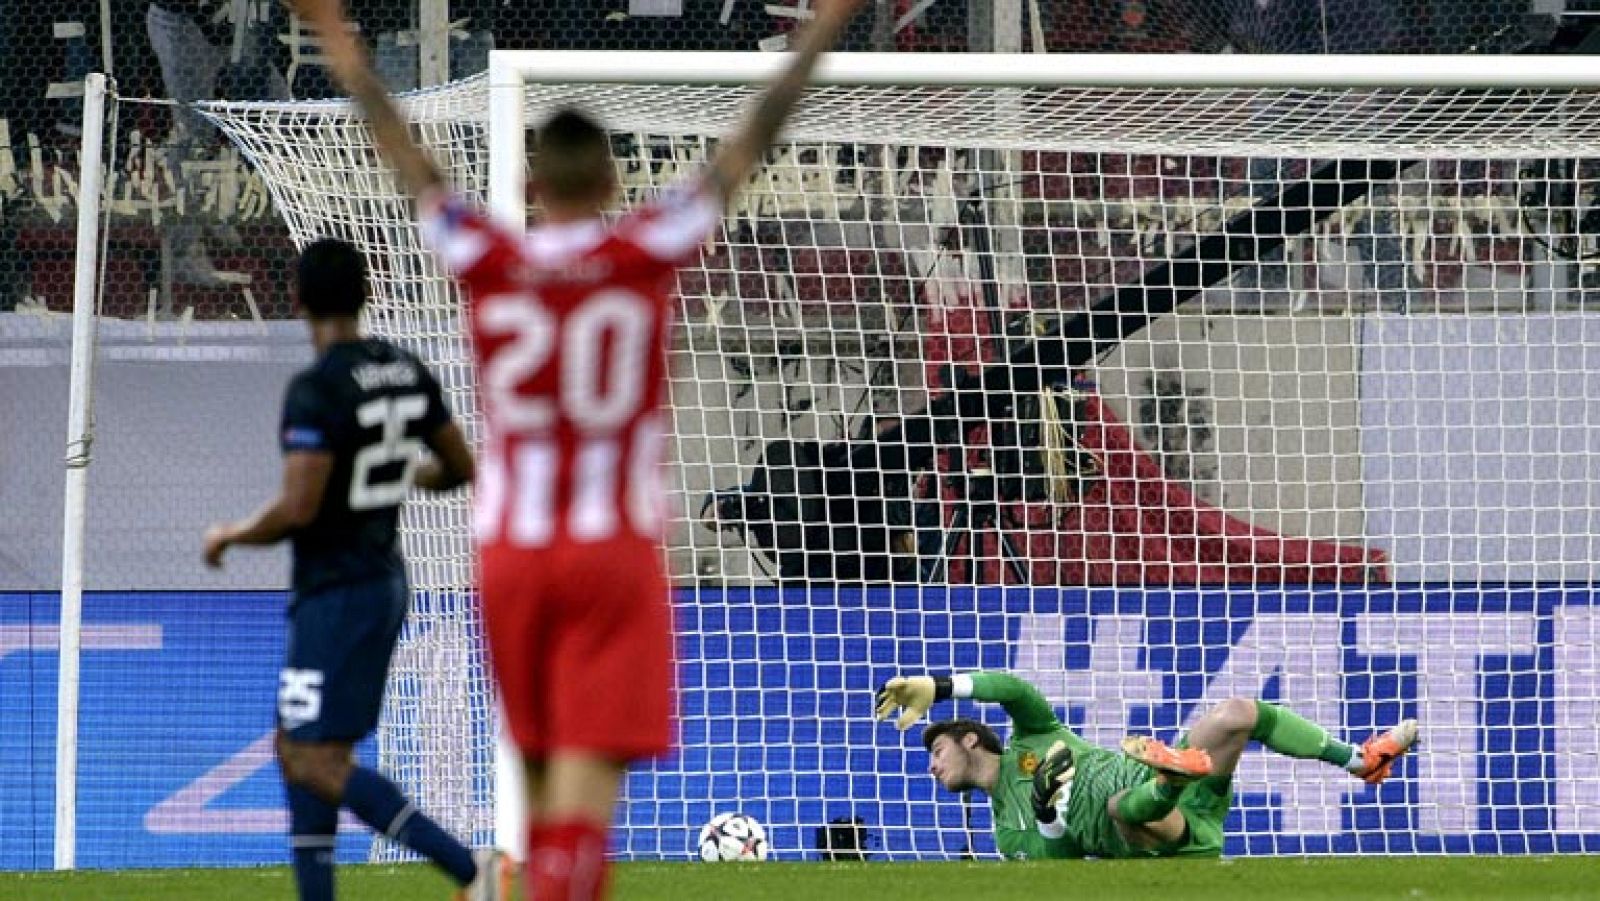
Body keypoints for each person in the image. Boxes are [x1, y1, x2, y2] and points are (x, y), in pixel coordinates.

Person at [289, 0, 866, 896]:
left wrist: (337, 39)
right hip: (609, 551)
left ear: (532, 180)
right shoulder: (647, 245)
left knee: (538, 777)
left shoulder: (485, 255)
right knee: (585, 809)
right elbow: (753, 136)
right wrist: (824, 27)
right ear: (611, 179)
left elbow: (408, 161)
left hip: (514, 552)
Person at [202, 238, 507, 901]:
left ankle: (471, 868)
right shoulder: (403, 368)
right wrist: (410, 473)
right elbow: (460, 465)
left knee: (311, 757)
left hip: (336, 591)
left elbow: (299, 505)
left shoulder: (316, 390)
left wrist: (232, 534)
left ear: (298, 298)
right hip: (382, 579)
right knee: (299, 748)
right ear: (367, 295)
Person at [875, 670, 1419, 859]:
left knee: (1235, 714)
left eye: (937, 751)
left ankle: (1361, 759)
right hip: (1158, 835)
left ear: (971, 739)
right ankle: (1168, 778)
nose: (931, 766)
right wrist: (1048, 815)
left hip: (1183, 793)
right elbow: (1058, 867)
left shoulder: (1034, 735)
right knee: (1120, 806)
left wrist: (942, 686)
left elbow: (1013, 689)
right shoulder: (1005, 833)